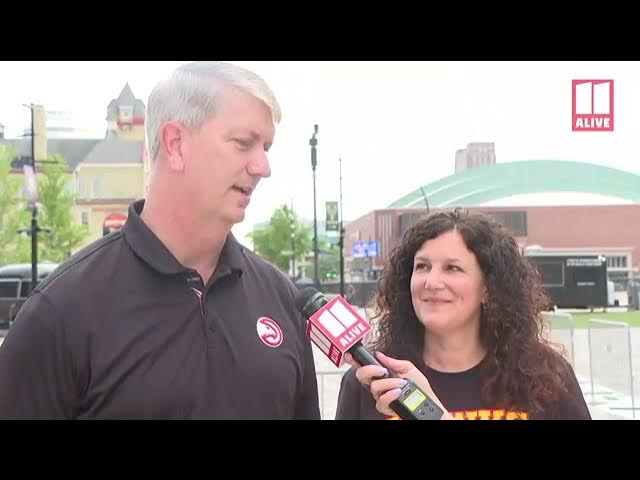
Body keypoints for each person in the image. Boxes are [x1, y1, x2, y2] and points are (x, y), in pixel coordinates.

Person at [0, 62, 320, 420]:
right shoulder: (61, 312)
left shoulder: (282, 298)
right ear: (175, 144)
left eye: (266, 147)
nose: (263, 167)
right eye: (243, 143)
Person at [335, 208, 591, 420]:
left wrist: (430, 414)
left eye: (453, 268)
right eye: (422, 266)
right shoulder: (371, 383)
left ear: (489, 288)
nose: (432, 282)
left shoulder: (546, 379)